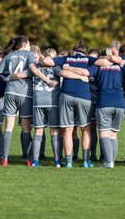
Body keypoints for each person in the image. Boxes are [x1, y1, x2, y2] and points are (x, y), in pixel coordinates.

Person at [0, 35, 56, 166]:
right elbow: (32, 69)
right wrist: (48, 80)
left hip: (10, 92)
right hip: (25, 94)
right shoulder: (29, 54)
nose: (30, 45)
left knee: (8, 127)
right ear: (25, 43)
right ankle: (28, 159)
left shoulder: (9, 56)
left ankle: (4, 159)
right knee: (26, 128)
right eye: (29, 42)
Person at [42, 40, 97, 168]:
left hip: (66, 94)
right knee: (85, 129)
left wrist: (68, 68)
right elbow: (92, 70)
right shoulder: (89, 60)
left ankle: (68, 161)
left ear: (73, 51)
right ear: (85, 52)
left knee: (67, 130)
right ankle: (85, 160)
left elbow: (46, 62)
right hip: (84, 96)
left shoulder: (67, 58)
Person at [63, 54, 125, 168]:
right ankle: (112, 161)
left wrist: (69, 68)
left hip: (104, 101)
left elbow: (85, 73)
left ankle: (108, 162)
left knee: (104, 133)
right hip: (120, 103)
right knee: (113, 134)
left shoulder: (97, 67)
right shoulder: (119, 66)